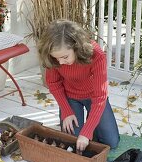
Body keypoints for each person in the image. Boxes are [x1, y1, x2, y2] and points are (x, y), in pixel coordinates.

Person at [37, 19, 120, 152]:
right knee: (73, 143)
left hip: (94, 98)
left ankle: (92, 121)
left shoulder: (96, 54)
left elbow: (100, 96)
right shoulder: (54, 58)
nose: (60, 62)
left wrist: (87, 131)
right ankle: (88, 123)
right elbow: (53, 83)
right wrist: (66, 111)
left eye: (65, 57)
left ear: (76, 46)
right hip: (70, 98)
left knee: (111, 142)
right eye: (56, 58)